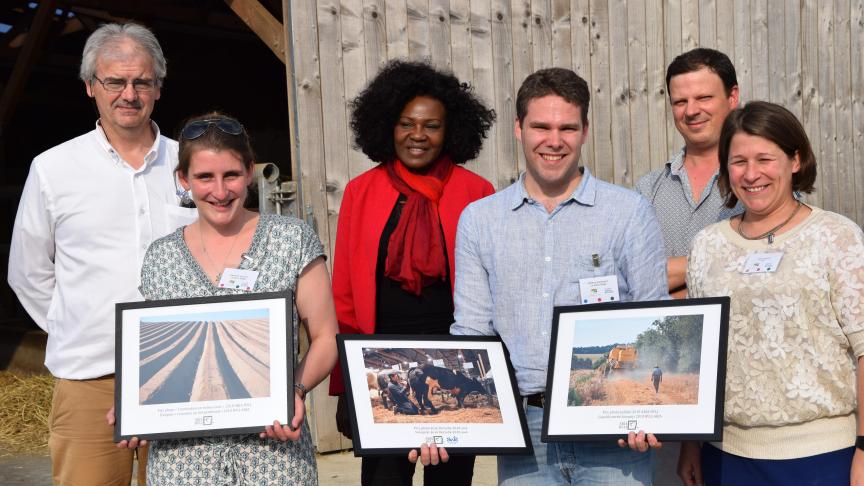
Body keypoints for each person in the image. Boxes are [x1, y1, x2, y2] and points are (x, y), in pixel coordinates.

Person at [451, 67, 668, 485]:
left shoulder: (629, 213)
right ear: (518, 128)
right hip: (524, 434)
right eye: (541, 126)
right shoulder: (480, 221)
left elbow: (652, 317)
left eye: (567, 127)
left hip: (612, 429)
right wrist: (446, 420)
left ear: (585, 130)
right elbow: (471, 333)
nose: (554, 140)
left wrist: (650, 414)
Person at [7, 22, 194, 486]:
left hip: (184, 375)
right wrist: (74, 324)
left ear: (158, 87)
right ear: (91, 86)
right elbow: (26, 270)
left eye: (141, 82)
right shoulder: (54, 169)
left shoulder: (192, 166)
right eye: (114, 81)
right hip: (91, 377)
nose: (128, 94)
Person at [115, 112, 339, 485]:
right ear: (183, 180)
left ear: (250, 172)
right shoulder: (160, 257)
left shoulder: (291, 239)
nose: (220, 192)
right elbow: (154, 358)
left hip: (273, 457)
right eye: (204, 177)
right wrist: (136, 409)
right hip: (184, 465)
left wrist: (294, 393)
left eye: (231, 175)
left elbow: (326, 337)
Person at [678, 101, 864, 485]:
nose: (751, 174)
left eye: (765, 158)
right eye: (738, 161)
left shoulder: (837, 238)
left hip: (824, 458)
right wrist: (690, 444)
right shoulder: (707, 246)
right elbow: (697, 357)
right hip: (726, 458)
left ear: (795, 160)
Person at [328, 60, 495, 486]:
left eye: (431, 125)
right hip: (382, 366)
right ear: (387, 126)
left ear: (451, 130)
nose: (417, 135)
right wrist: (346, 384)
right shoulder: (361, 192)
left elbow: (493, 293)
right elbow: (344, 293)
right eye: (406, 123)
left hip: (452, 366)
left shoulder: (476, 192)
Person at [635, 48, 741, 299]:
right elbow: (634, 277)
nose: (691, 111)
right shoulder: (647, 191)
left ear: (732, 96)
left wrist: (675, 281)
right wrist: (722, 258)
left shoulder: (759, 182)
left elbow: (774, 263)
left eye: (704, 98)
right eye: (680, 102)